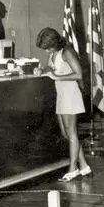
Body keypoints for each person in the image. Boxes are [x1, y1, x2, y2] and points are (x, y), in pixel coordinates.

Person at [36, 27, 92, 182]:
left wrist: (56, 77)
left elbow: (78, 74)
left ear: (53, 43)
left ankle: (73, 169)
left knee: (72, 133)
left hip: (70, 94)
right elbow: (53, 70)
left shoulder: (67, 52)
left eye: (47, 48)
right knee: (66, 133)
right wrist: (42, 70)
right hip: (61, 94)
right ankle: (84, 166)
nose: (46, 51)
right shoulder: (54, 53)